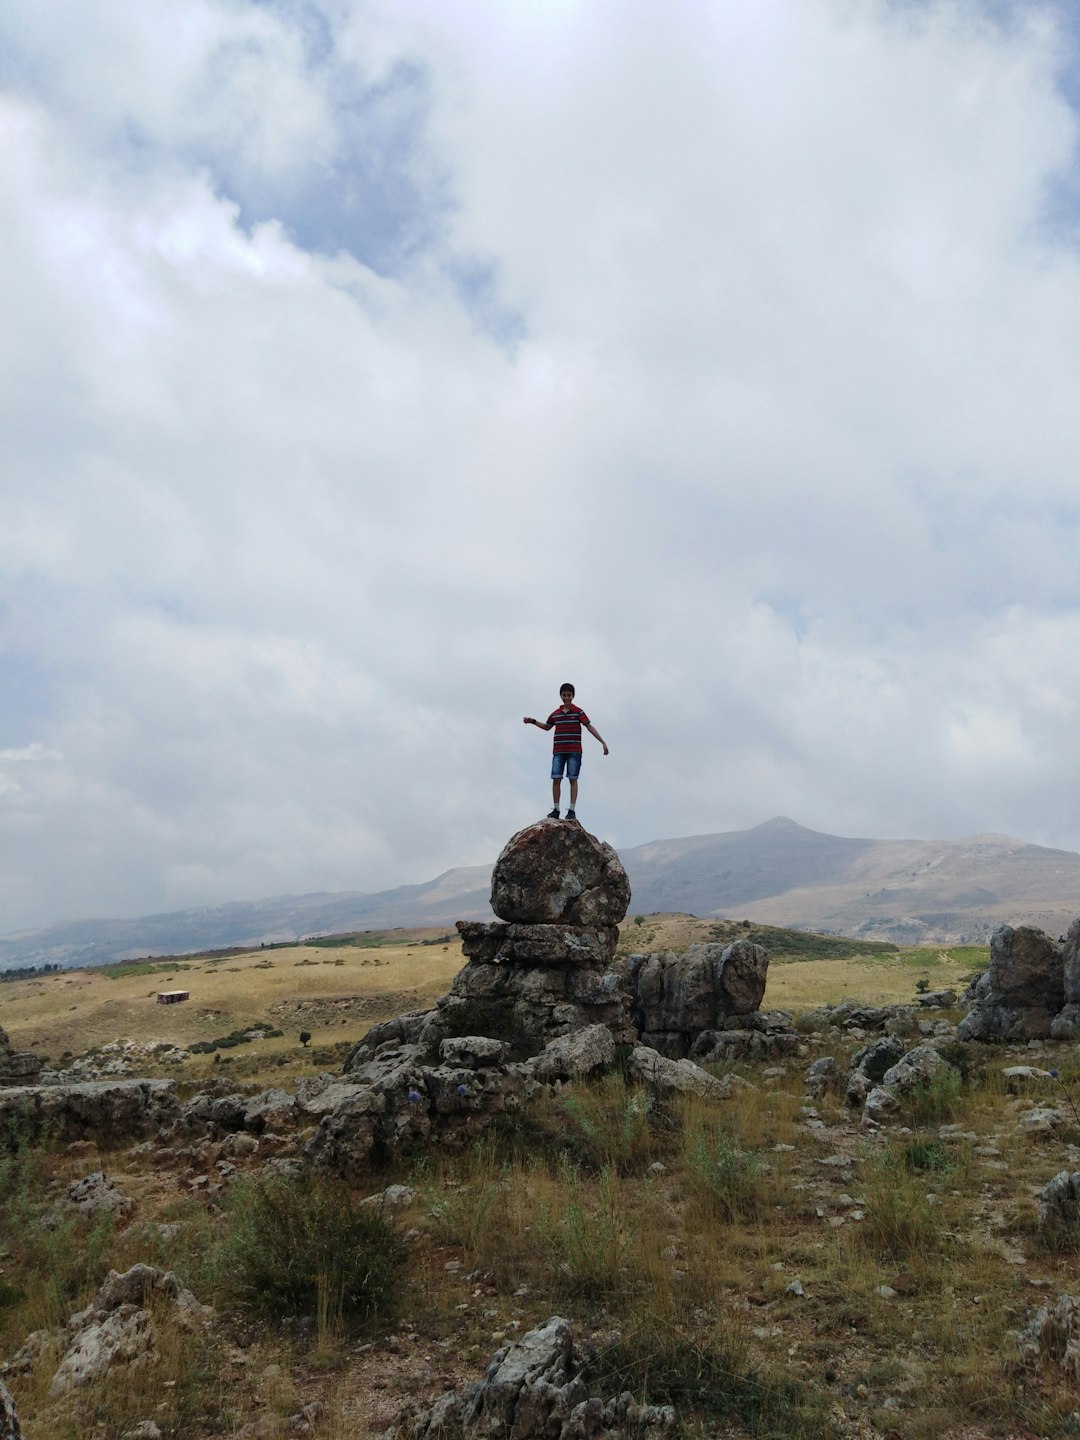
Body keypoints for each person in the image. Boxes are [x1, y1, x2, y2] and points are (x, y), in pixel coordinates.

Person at [523, 683, 608, 821]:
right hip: (559, 750)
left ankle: (572, 810)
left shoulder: (578, 712)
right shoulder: (555, 714)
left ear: (573, 696)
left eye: (569, 695)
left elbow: (589, 726)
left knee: (572, 779)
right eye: (564, 695)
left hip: (574, 751)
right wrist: (532, 721)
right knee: (556, 778)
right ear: (561, 696)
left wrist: (602, 742)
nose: (567, 698)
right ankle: (556, 809)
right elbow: (547, 727)